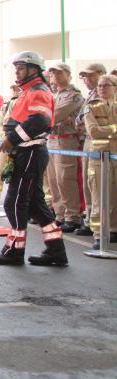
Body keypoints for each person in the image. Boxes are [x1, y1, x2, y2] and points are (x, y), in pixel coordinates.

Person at [0, 51, 67, 267]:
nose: (17, 71)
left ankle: (14, 251)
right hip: (27, 153)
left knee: (15, 202)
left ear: (33, 69)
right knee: (34, 205)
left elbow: (40, 119)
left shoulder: (38, 90)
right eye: (16, 68)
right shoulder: (29, 91)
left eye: (21, 67)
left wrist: (12, 139)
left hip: (30, 152)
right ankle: (56, 251)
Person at [45, 63, 85, 232]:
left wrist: (46, 116)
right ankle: (60, 214)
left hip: (66, 140)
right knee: (53, 180)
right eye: (53, 73)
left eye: (59, 72)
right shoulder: (54, 94)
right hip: (52, 139)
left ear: (68, 74)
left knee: (65, 179)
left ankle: (72, 216)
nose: (55, 75)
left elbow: (54, 114)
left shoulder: (73, 95)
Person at [83, 74, 117, 252]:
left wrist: (108, 131)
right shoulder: (90, 107)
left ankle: (113, 229)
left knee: (115, 196)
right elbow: (93, 131)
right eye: (100, 86)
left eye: (106, 85)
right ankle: (97, 233)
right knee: (98, 197)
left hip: (115, 156)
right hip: (98, 158)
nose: (102, 89)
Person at [74, 63, 108, 236]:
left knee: (101, 186)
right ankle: (90, 219)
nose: (87, 80)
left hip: (103, 143)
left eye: (91, 75)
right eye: (85, 76)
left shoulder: (107, 97)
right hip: (88, 141)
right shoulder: (90, 96)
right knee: (89, 183)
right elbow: (78, 120)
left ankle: (104, 226)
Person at [0, 84, 20, 216]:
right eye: (13, 89)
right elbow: (0, 124)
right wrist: (6, 139)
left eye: (18, 89)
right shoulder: (6, 105)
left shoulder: (26, 104)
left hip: (22, 145)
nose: (15, 91)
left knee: (20, 177)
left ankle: (21, 206)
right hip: (6, 144)